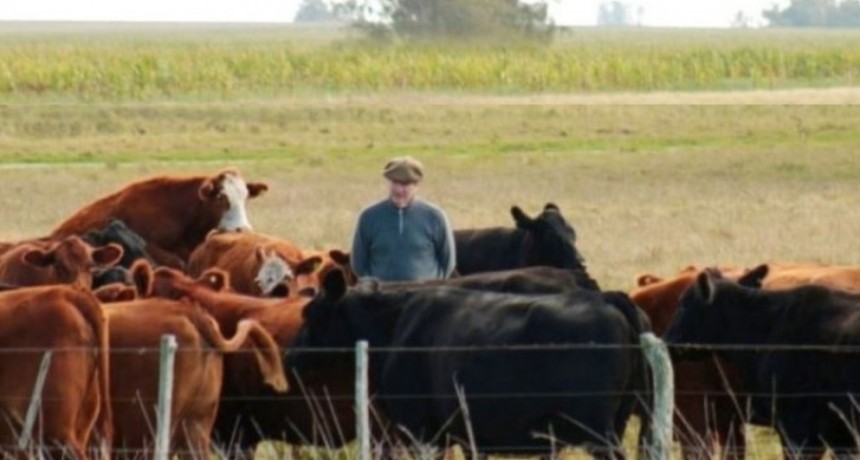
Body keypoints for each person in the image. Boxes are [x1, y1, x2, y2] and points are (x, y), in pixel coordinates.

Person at [351, 156, 456, 282]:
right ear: (388, 182)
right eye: (395, 183)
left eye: (405, 184)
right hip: (382, 298)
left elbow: (447, 263)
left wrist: (431, 290)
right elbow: (358, 263)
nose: (399, 190)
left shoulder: (435, 217)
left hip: (423, 299)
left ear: (417, 185)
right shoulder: (368, 217)